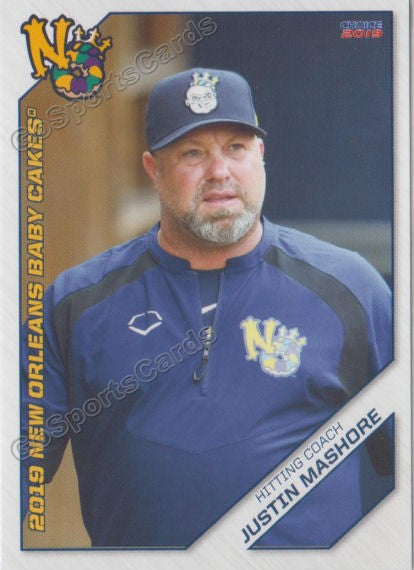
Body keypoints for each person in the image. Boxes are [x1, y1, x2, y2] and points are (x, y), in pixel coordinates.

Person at [21, 68, 392, 548]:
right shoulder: (77, 303)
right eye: (192, 153)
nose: (219, 171)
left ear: (261, 154)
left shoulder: (350, 289)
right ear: (153, 169)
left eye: (236, 148)